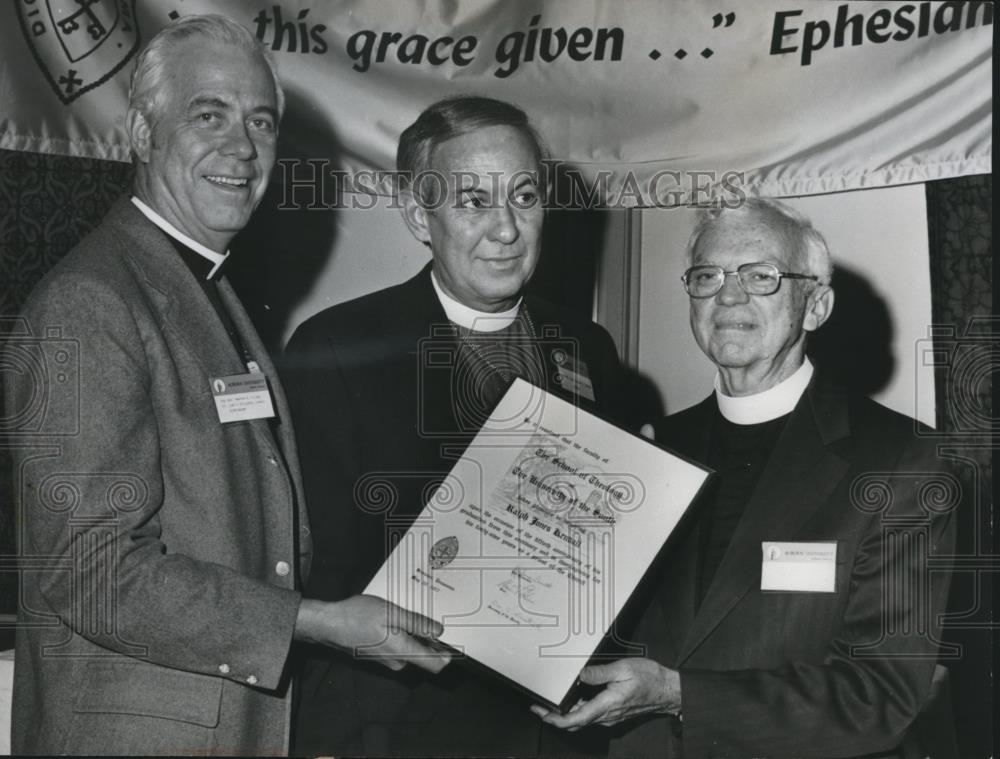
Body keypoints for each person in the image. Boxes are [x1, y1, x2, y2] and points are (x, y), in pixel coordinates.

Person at [6, 15, 446, 756]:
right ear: (142, 134)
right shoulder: (93, 300)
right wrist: (313, 619)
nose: (241, 148)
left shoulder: (201, 287)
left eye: (261, 122)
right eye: (208, 115)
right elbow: (91, 569)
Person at [533, 198, 956, 757]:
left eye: (762, 276)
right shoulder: (644, 447)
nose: (728, 295)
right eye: (707, 275)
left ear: (816, 306)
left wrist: (679, 695)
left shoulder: (900, 458)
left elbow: (880, 695)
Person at [283, 95, 626, 757]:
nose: (505, 229)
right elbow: (314, 575)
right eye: (473, 201)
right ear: (420, 215)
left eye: (523, 196)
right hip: (401, 726)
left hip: (552, 730)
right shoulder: (338, 347)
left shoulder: (586, 344)